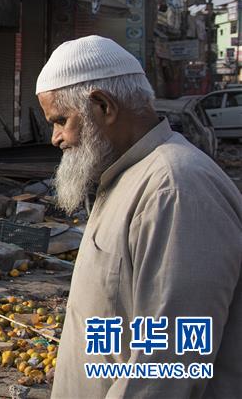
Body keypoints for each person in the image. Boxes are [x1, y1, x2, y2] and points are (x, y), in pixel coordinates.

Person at [36, 35, 242, 398]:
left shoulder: (174, 189)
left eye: (60, 121)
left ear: (103, 106)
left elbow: (167, 363)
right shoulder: (129, 177)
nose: (55, 138)